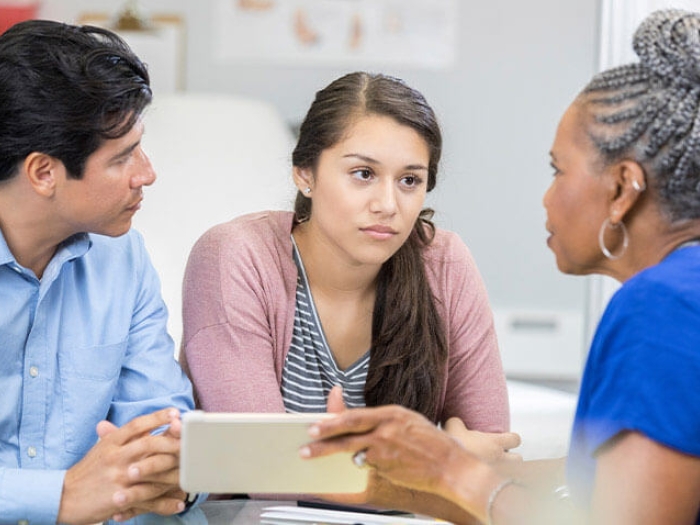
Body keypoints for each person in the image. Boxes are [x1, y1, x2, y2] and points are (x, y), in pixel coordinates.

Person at [301, 8, 700, 525]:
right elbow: (598, 487)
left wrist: (449, 469)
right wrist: (408, 479)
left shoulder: (660, 306)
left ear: (622, 188)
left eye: (558, 170)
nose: (546, 198)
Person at [181, 71, 512, 435]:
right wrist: (441, 461)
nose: (387, 205)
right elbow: (255, 462)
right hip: (263, 496)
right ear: (305, 174)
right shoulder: (236, 256)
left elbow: (492, 451)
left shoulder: (444, 264)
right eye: (363, 173)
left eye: (409, 180)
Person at [0, 20, 201, 523]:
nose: (147, 173)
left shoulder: (123, 258)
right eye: (124, 157)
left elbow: (160, 418)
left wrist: (170, 465)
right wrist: (60, 496)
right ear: (44, 173)